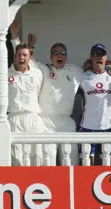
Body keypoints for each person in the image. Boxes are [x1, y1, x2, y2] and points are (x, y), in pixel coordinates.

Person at [9, 21, 82, 165]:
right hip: (46, 123)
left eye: (62, 53)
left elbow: (96, 72)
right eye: (56, 53)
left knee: (71, 161)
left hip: (67, 122)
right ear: (50, 56)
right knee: (47, 161)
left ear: (66, 56)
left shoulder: (75, 71)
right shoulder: (43, 70)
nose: (59, 55)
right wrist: (15, 37)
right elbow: (24, 57)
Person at [79, 44, 111, 165]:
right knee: (88, 163)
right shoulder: (82, 76)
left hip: (109, 126)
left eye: (101, 54)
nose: (98, 57)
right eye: (95, 54)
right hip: (87, 126)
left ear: (106, 57)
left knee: (108, 163)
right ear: (90, 58)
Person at [8, 43, 47, 166]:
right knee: (16, 158)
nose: (21, 58)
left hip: (33, 116)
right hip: (14, 117)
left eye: (25, 55)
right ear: (15, 56)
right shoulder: (6, 74)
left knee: (36, 156)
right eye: (19, 55)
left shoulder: (38, 73)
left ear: (30, 57)